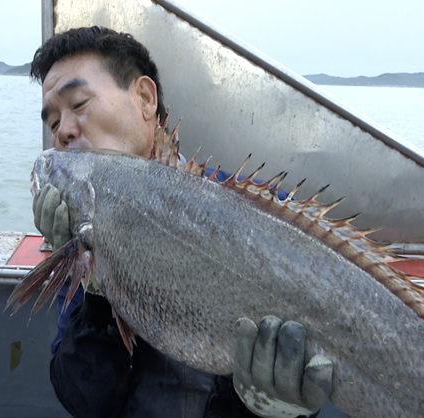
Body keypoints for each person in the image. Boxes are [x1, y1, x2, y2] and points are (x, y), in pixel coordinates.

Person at [28, 26, 333, 418]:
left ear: (145, 98)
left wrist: (267, 405)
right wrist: (96, 288)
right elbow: (86, 401)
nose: (64, 132)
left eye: (79, 103)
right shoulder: (82, 230)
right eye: (53, 123)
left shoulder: (263, 214)